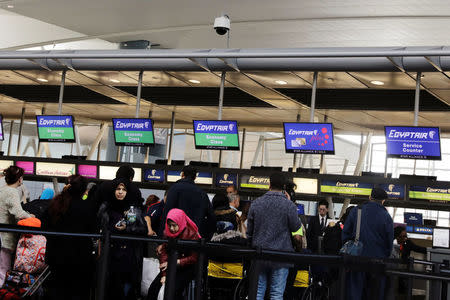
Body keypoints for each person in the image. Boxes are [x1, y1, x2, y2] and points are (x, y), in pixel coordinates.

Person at [247, 172, 302, 300]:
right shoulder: (289, 206)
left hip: (259, 254)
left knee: (258, 293)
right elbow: (296, 227)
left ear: (269, 184)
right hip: (281, 256)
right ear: (283, 186)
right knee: (276, 294)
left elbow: (249, 232)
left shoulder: (256, 203)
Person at [41, 175, 97, 300]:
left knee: (56, 290)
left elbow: (44, 224)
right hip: (80, 258)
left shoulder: (56, 203)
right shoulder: (87, 207)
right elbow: (94, 229)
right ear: (84, 190)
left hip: (55, 255)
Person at [98, 178, 148, 300]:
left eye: (124, 189)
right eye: (118, 189)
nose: (120, 192)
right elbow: (100, 228)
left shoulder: (134, 210)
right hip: (110, 254)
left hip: (128, 255)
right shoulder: (106, 208)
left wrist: (128, 229)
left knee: (125, 289)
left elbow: (144, 231)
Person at [342, 187, 394, 300]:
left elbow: (345, 234)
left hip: (357, 260)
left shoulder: (357, 210)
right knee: (374, 294)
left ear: (370, 197)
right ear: (383, 201)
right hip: (377, 264)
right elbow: (389, 244)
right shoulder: (386, 217)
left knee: (355, 294)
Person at [147, 208, 201, 300]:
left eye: (174, 225)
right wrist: (164, 275)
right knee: (153, 289)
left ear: (181, 222)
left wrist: (175, 262)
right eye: (169, 225)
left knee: (173, 290)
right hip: (170, 265)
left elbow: (194, 258)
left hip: (186, 267)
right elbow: (164, 254)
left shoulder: (192, 234)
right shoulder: (167, 232)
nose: (171, 229)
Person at [161, 165, 215, 240]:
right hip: (195, 238)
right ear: (195, 177)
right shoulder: (202, 193)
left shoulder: (174, 189)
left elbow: (167, 212)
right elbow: (211, 217)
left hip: (176, 237)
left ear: (182, 174)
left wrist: (162, 238)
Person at [0, 166, 32, 287]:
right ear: (19, 179)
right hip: (6, 239)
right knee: (4, 272)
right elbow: (18, 213)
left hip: (1, 236)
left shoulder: (3, 189)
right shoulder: (12, 192)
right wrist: (31, 217)